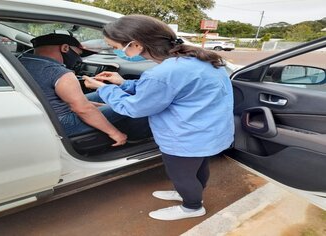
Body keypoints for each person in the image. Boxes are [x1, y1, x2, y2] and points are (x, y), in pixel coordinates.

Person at [84, 15, 234, 220]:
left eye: (116, 47)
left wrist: (103, 89)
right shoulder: (195, 59)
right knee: (197, 167)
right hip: (207, 132)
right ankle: (189, 193)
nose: (118, 52)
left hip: (185, 138)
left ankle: (192, 207)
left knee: (181, 174)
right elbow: (168, 89)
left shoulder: (163, 73)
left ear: (135, 44)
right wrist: (123, 83)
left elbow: (136, 108)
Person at [19, 33, 149, 146]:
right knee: (135, 105)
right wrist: (115, 133)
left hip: (46, 113)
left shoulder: (22, 62)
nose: (79, 59)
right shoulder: (58, 72)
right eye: (78, 54)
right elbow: (83, 109)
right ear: (65, 48)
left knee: (103, 94)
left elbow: (61, 99)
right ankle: (138, 137)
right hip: (61, 123)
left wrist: (103, 105)